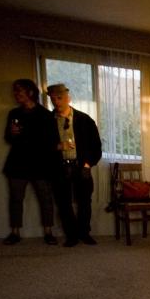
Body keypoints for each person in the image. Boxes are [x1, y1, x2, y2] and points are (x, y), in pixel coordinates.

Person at [2, 79, 59, 245]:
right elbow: (7, 138)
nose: (16, 94)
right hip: (17, 163)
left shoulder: (46, 115)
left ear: (31, 93)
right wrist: (12, 133)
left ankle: (48, 232)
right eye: (15, 91)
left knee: (45, 199)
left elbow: (52, 141)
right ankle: (15, 232)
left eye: (19, 91)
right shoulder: (14, 114)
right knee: (15, 199)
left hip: (40, 164)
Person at [47, 83, 102, 247]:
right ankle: (71, 235)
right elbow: (41, 146)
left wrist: (87, 164)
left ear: (68, 97)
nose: (56, 102)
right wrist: (58, 147)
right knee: (64, 203)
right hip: (59, 168)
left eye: (59, 97)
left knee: (85, 201)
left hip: (81, 167)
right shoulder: (47, 121)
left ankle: (84, 233)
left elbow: (96, 147)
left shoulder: (85, 120)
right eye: (53, 99)